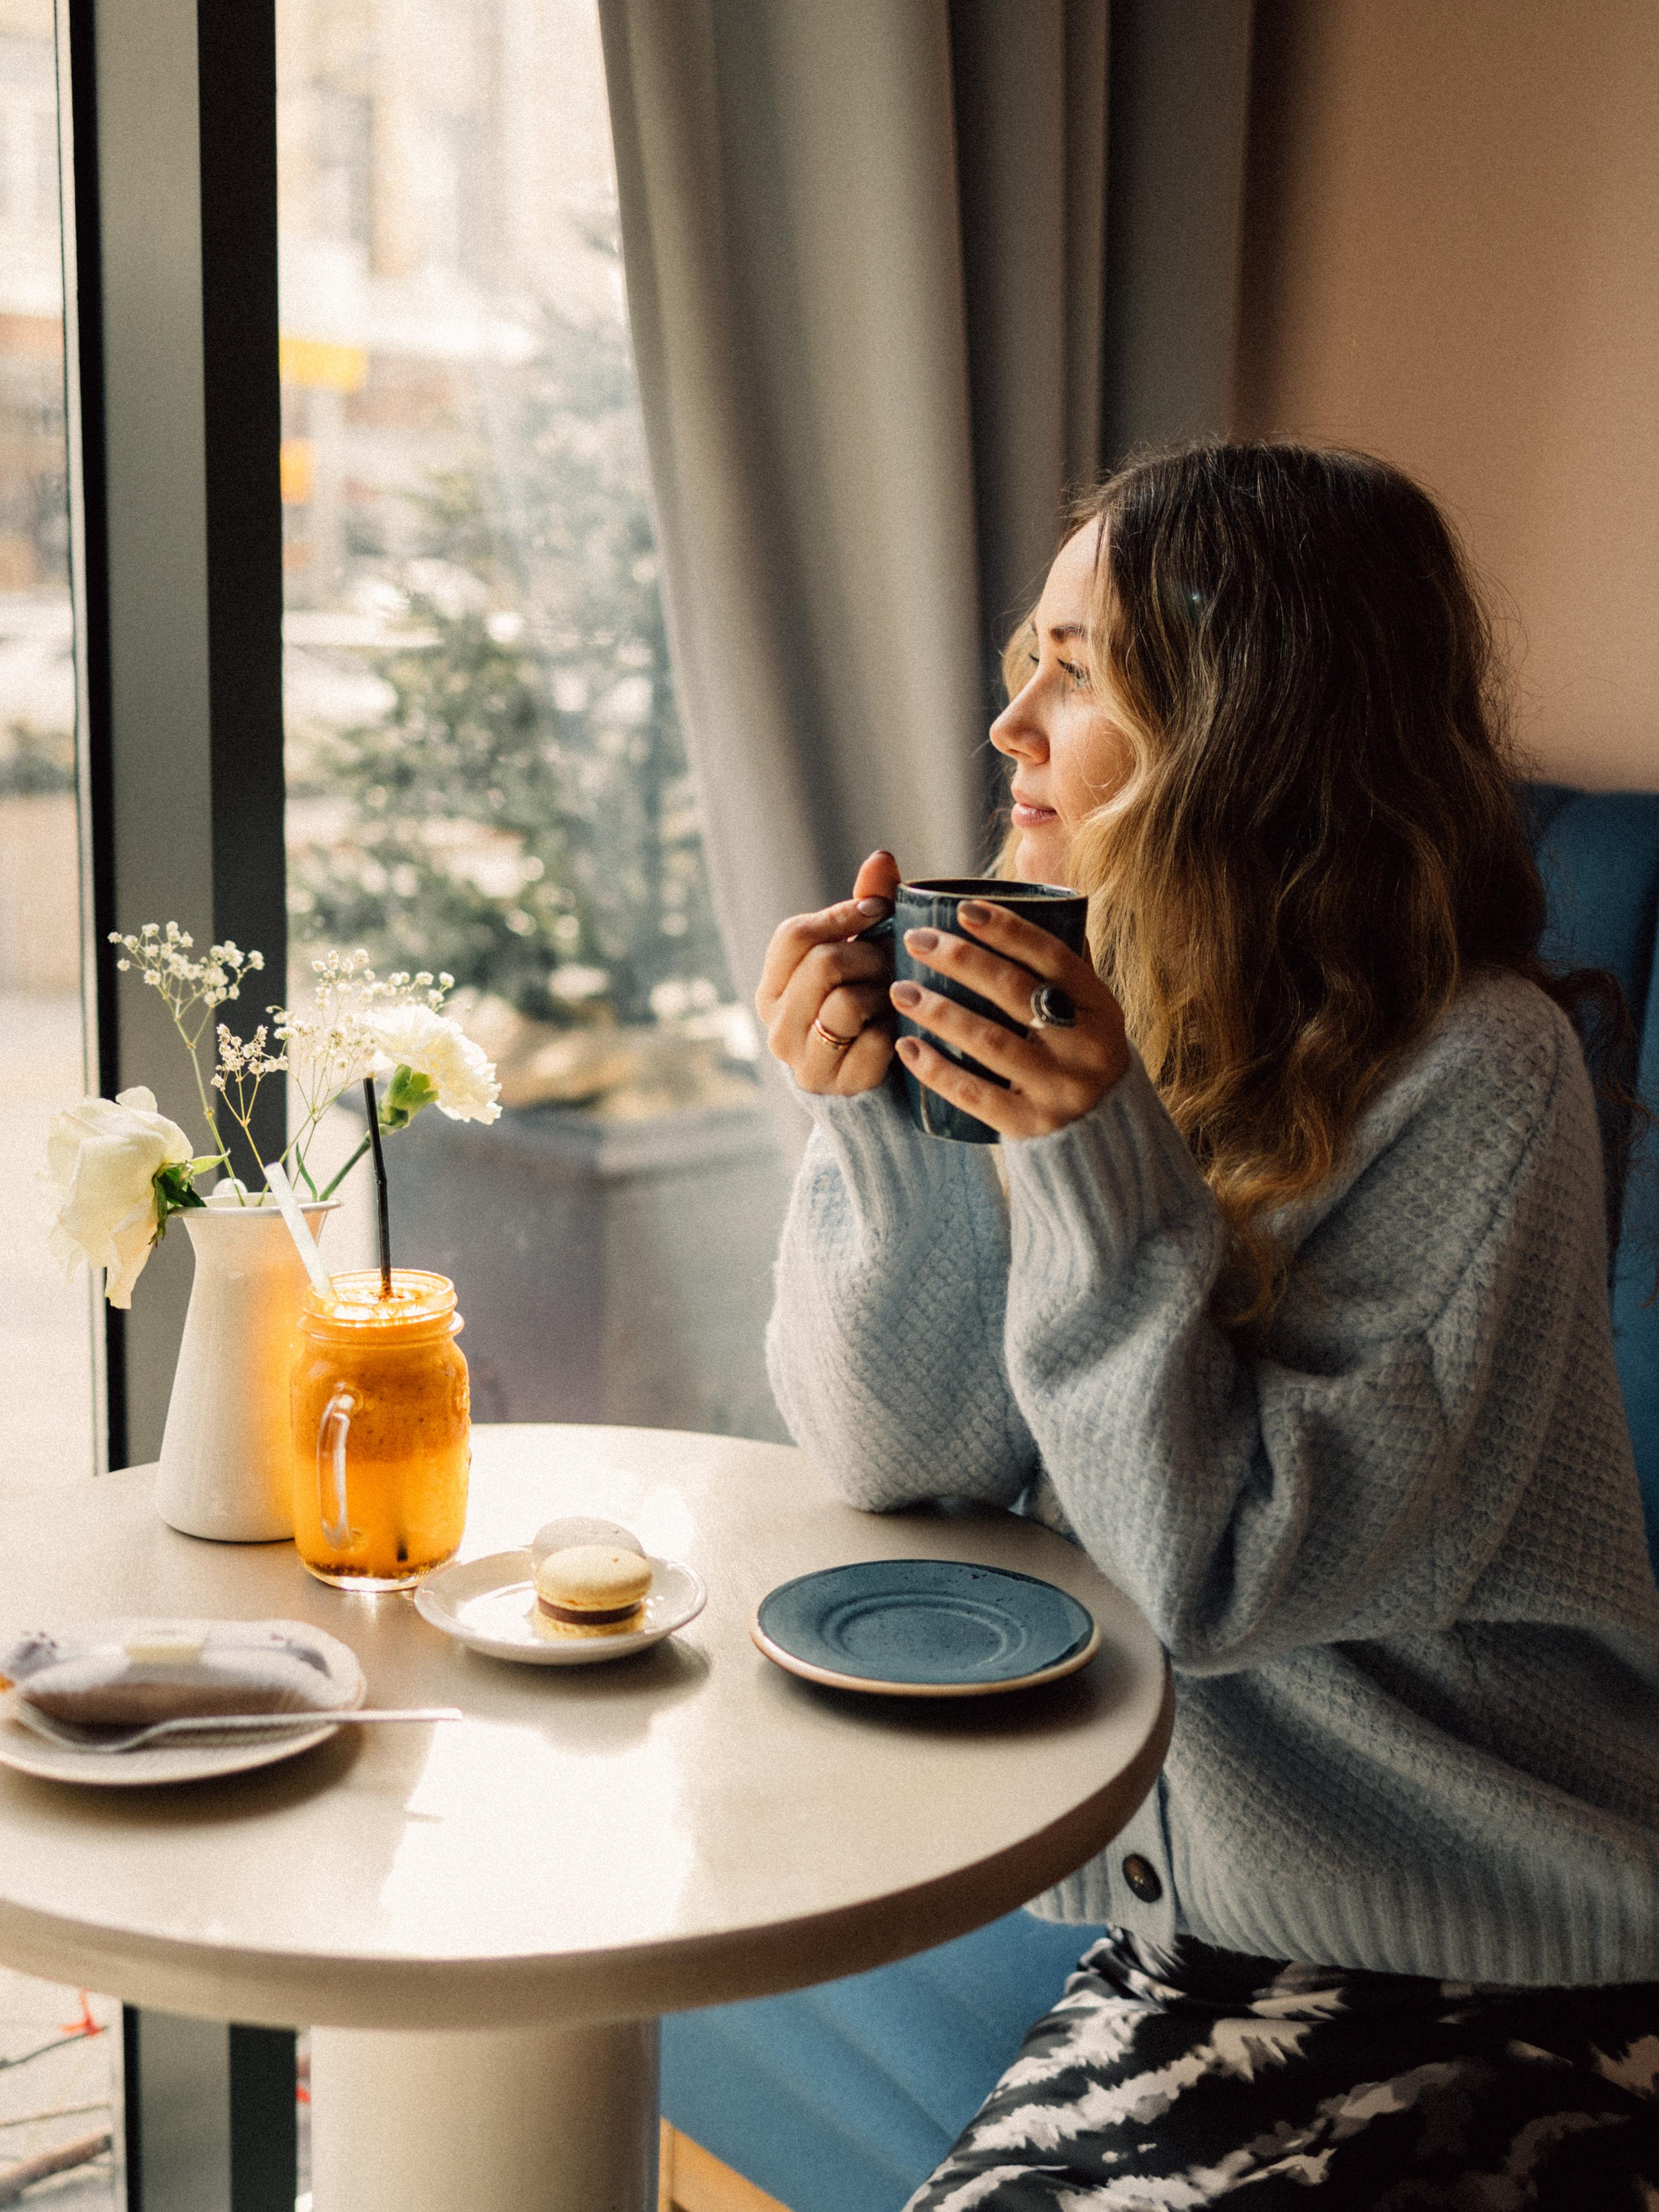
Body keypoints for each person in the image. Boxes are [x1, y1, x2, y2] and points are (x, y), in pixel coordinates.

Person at [756, 443, 1659, 2207]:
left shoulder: (1485, 1075)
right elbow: (897, 1458)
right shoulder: (1112, 1016)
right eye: (1028, 660)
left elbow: (1230, 1580)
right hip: (1185, 1940)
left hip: (1493, 1961)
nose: (1008, 726)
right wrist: (887, 1115)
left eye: (1077, 674)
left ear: (1251, 729)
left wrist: (1083, 1154)